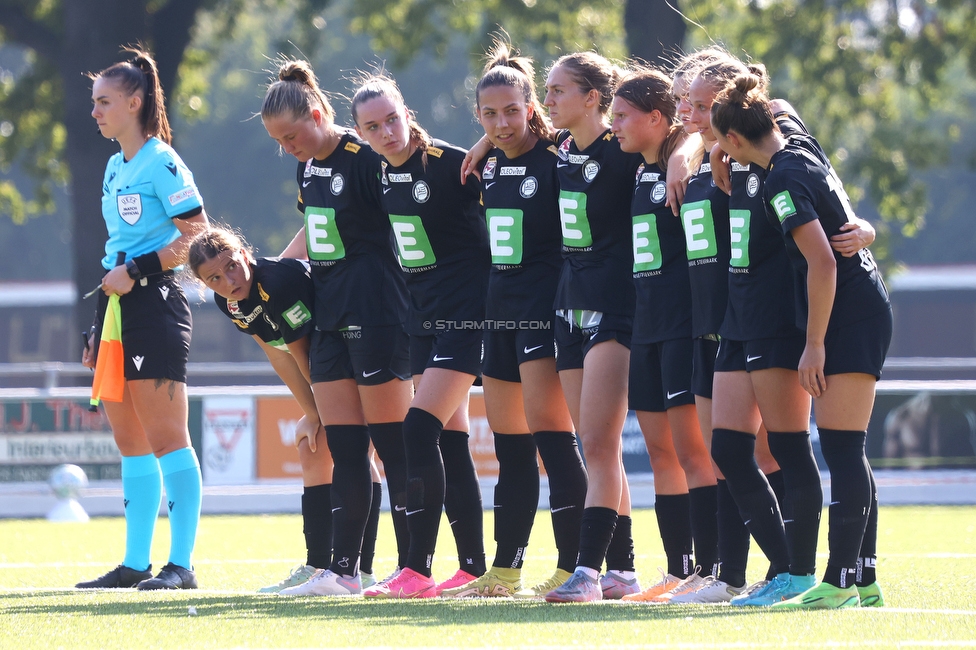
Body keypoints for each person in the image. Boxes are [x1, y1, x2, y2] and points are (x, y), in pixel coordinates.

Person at [711, 72, 891, 609]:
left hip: (849, 314)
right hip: (858, 306)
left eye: (722, 145)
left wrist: (813, 346)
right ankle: (861, 581)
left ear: (736, 141)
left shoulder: (781, 180)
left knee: (842, 448)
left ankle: (838, 581)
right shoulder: (797, 145)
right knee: (844, 448)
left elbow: (821, 262)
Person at [259, 59, 415, 595]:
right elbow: (313, 229)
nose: (288, 148)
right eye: (278, 141)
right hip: (328, 317)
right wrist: (273, 275)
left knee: (395, 450)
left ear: (319, 114)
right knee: (345, 449)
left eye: (292, 135)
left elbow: (415, 212)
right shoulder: (307, 168)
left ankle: (413, 569)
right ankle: (343, 572)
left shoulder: (367, 156)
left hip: (377, 313)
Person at [440, 42, 588, 600]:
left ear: (532, 106)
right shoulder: (486, 164)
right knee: (510, 449)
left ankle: (576, 567)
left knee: (556, 442)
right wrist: (486, 144)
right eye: (488, 115)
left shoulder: (560, 156)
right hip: (497, 316)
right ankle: (505, 570)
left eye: (511, 111)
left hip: (544, 316)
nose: (501, 123)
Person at [351, 73, 490, 599]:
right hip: (422, 323)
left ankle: (415, 569)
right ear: (361, 134)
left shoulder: (455, 164)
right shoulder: (376, 174)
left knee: (416, 432)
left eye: (392, 118)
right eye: (373, 127)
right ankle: (474, 568)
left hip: (466, 318)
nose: (387, 132)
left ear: (406, 112)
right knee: (452, 444)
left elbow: (515, 157)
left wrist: (483, 142)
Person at [77, 47, 208, 591]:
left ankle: (182, 564)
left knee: (167, 437)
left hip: (157, 305)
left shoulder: (163, 160)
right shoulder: (114, 165)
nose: (96, 112)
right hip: (117, 311)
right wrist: (98, 322)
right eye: (93, 103)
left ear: (135, 102)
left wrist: (140, 269)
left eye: (104, 102)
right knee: (129, 439)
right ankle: (135, 562)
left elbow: (197, 233)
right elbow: (117, 248)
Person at [608, 66, 722, 603]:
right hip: (646, 327)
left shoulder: (693, 166)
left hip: (682, 328)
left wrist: (683, 153)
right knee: (659, 454)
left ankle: (714, 566)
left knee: (695, 451)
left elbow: (701, 135)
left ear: (657, 118)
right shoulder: (637, 170)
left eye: (623, 117)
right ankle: (679, 570)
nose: (614, 128)